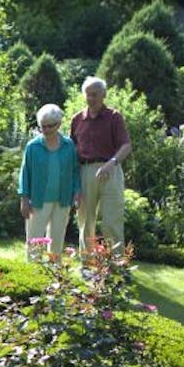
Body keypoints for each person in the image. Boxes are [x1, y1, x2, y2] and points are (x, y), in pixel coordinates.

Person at [69, 76, 132, 253]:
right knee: (86, 221)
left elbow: (126, 146)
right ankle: (87, 264)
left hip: (110, 169)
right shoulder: (77, 120)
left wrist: (111, 163)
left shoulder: (114, 117)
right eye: (88, 94)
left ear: (104, 95)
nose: (91, 98)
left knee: (112, 220)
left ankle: (115, 264)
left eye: (95, 94)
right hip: (85, 171)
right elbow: (72, 150)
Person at [17, 103, 81, 262]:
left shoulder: (68, 145)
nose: (45, 130)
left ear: (59, 124)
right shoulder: (33, 146)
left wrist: (77, 192)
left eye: (49, 126)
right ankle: (33, 272)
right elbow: (25, 174)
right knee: (34, 240)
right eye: (42, 126)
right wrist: (24, 199)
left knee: (57, 240)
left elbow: (75, 171)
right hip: (38, 200)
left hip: (62, 199)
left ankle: (55, 274)